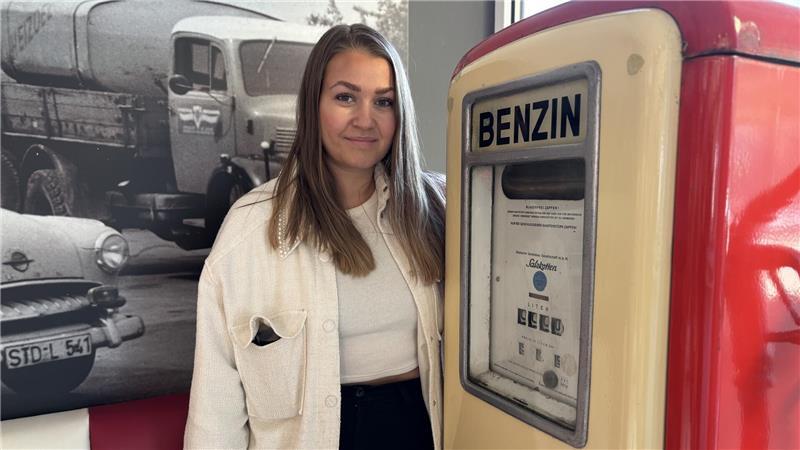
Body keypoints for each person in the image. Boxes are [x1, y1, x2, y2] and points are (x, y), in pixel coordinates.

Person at [183, 23, 445, 450]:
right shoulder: (250, 229)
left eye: (384, 101)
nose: (366, 119)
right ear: (313, 104)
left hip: (418, 429)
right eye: (345, 97)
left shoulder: (439, 209)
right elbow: (216, 409)